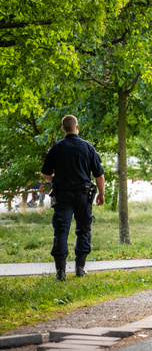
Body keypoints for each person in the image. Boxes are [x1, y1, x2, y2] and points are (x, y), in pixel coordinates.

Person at [41, 115, 105, 281]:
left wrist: (55, 180)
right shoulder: (88, 147)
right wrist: (101, 194)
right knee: (83, 229)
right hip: (83, 195)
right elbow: (99, 175)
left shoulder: (56, 148)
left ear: (63, 129)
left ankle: (60, 272)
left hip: (63, 195)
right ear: (77, 127)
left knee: (61, 231)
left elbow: (45, 174)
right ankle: (80, 268)